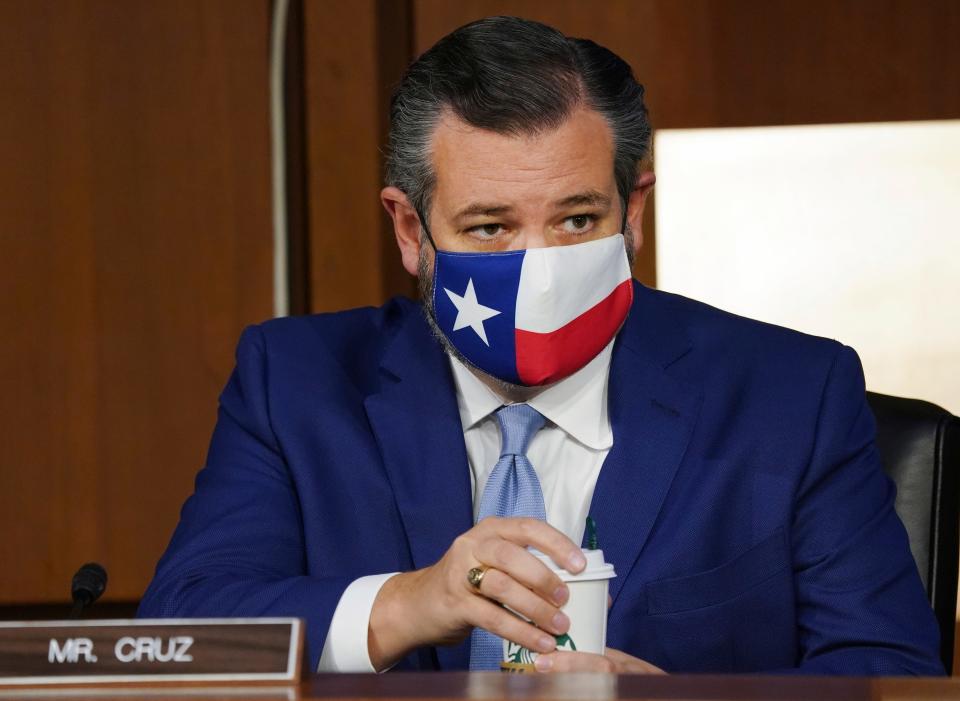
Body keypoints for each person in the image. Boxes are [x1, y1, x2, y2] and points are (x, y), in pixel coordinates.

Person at [138, 16, 944, 675]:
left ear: (634, 210)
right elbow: (181, 637)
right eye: (491, 228)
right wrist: (409, 603)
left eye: (577, 220)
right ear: (412, 230)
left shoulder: (791, 396)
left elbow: (890, 674)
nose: (541, 271)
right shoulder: (298, 386)